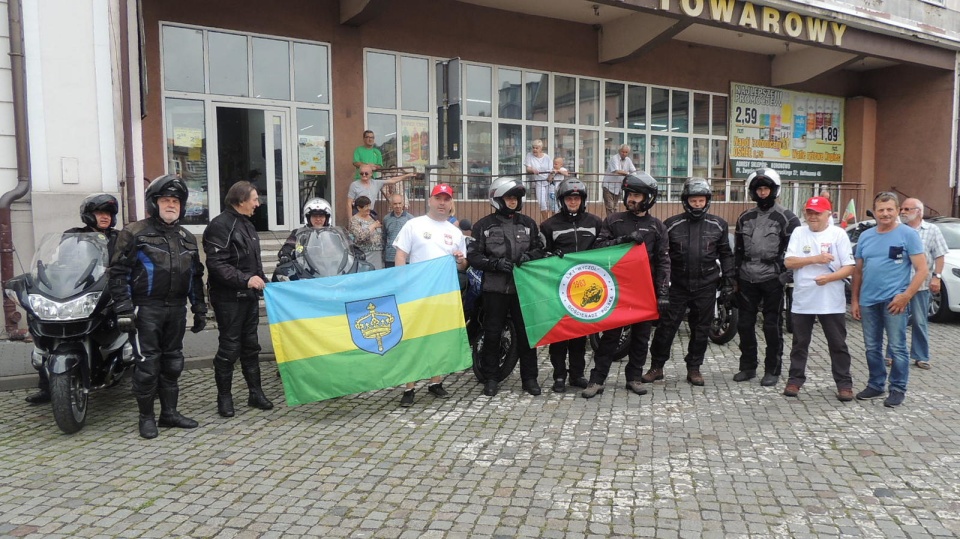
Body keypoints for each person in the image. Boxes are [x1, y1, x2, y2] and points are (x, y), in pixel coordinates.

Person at [110, 175, 207, 439]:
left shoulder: (187, 238)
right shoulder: (134, 232)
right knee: (147, 364)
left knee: (173, 362)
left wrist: (199, 308)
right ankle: (146, 417)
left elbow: (195, 276)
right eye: (166, 200)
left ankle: (169, 413)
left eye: (175, 201)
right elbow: (118, 273)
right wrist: (124, 309)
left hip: (175, 309)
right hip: (146, 308)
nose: (171, 205)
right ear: (155, 203)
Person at [25, 193, 121, 404]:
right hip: (79, 291)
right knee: (49, 335)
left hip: (108, 292)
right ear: (88, 215)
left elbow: (129, 263)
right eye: (99, 212)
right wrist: (47, 272)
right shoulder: (73, 236)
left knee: (130, 325)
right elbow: (58, 262)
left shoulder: (119, 238)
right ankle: (47, 387)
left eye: (108, 213)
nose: (104, 217)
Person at [581, 172, 670, 399]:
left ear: (649, 198)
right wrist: (622, 240)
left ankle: (634, 377)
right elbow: (598, 248)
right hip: (616, 290)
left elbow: (663, 261)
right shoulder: (613, 221)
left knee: (641, 338)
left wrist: (662, 294)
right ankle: (597, 379)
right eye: (629, 194)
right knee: (609, 338)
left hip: (644, 291)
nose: (631, 199)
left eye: (637, 195)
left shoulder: (657, 227)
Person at [646, 178, 734, 386]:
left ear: (707, 201)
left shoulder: (718, 225)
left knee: (701, 328)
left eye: (700, 200)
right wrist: (662, 287)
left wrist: (729, 281)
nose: (697, 204)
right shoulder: (671, 224)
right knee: (666, 327)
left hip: (706, 285)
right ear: (686, 201)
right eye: (693, 200)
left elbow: (726, 255)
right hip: (678, 285)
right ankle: (656, 366)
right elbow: (663, 257)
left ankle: (694, 368)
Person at [467, 176, 546, 397]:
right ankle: (491, 378)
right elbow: (473, 256)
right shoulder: (483, 226)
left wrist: (529, 256)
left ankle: (529, 379)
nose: (513, 202)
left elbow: (540, 249)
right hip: (495, 290)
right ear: (497, 199)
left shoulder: (528, 223)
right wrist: (494, 264)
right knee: (493, 334)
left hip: (523, 290)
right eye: (509, 198)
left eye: (516, 198)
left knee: (526, 335)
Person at [392, 183, 468, 407]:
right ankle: (409, 387)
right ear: (430, 200)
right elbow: (400, 255)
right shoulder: (413, 225)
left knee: (439, 337)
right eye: (438, 198)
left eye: (446, 199)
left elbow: (463, 265)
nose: (442, 203)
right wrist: (402, 283)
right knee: (413, 338)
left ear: (451, 203)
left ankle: (435, 382)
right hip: (416, 293)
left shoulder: (455, 232)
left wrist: (460, 259)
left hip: (444, 295)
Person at [203, 181, 274, 418]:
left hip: (249, 297)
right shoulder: (220, 225)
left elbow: (254, 263)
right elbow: (216, 264)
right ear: (241, 200)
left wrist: (264, 282)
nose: (258, 203)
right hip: (229, 299)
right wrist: (245, 279)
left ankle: (256, 393)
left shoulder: (248, 225)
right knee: (229, 348)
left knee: (251, 346)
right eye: (254, 199)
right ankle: (224, 398)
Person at [851, 192, 927, 407]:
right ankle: (876, 385)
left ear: (897, 211)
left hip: (895, 302)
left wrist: (906, 296)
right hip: (868, 301)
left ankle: (897, 388)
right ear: (875, 212)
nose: (885, 214)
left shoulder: (908, 234)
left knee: (897, 347)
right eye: (881, 210)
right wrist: (855, 301)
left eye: (889, 210)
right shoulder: (866, 236)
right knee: (871, 347)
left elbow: (922, 270)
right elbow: (858, 271)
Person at [782, 196, 856, 401]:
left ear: (828, 215)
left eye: (817, 213)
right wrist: (815, 259)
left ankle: (844, 384)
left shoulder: (838, 234)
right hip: (803, 298)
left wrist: (830, 277)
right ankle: (795, 380)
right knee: (799, 344)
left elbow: (849, 267)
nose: (812, 217)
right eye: (809, 212)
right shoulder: (799, 232)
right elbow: (789, 262)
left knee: (838, 344)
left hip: (831, 301)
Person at [732, 168, 800, 387]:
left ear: (774, 190)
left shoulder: (787, 218)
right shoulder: (745, 217)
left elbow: (796, 252)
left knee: (771, 326)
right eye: (759, 189)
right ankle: (748, 366)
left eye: (766, 188)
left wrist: (784, 277)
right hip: (746, 277)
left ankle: (772, 369)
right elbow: (739, 250)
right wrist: (733, 278)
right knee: (744, 324)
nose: (762, 193)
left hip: (772, 278)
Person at [539, 177, 602, 393]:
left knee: (579, 335)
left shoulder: (595, 222)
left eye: (576, 198)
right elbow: (540, 253)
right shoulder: (549, 225)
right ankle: (558, 376)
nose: (573, 201)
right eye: (569, 198)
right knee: (559, 334)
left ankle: (577, 374)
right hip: (560, 287)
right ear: (562, 200)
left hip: (585, 288)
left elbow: (603, 248)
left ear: (582, 200)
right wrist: (549, 254)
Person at [885, 198, 946, 370]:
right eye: (902, 208)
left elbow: (939, 255)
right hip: (899, 284)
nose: (902, 211)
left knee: (920, 321)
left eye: (906, 209)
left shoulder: (932, 230)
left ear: (918, 211)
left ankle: (921, 356)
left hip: (921, 285)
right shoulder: (897, 229)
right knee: (896, 320)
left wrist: (937, 277)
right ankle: (892, 354)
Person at [345, 164, 411, 220]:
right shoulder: (354, 185)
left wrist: (406, 176)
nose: (364, 175)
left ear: (371, 174)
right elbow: (349, 203)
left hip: (369, 213)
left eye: (366, 173)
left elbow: (392, 180)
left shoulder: (376, 183)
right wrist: (351, 220)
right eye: (361, 173)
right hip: (358, 213)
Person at [278, 197, 332, 263]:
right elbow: (288, 246)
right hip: (305, 268)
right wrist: (285, 255)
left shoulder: (334, 234)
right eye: (314, 216)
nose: (318, 219)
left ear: (327, 218)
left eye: (321, 216)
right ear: (308, 218)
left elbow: (345, 247)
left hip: (331, 267)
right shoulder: (299, 233)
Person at [349, 196, 384, 270]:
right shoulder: (354, 220)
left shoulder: (372, 216)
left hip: (377, 253)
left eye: (369, 205)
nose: (369, 208)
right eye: (366, 206)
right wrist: (373, 226)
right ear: (359, 208)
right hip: (364, 254)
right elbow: (360, 236)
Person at [602, 144, 637, 218]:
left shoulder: (628, 160)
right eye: (622, 152)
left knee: (615, 207)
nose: (624, 154)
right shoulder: (614, 158)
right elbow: (617, 171)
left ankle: (614, 221)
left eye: (626, 152)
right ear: (619, 151)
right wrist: (628, 174)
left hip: (618, 187)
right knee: (610, 206)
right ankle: (610, 222)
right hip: (608, 186)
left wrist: (634, 175)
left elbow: (633, 171)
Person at [524, 140, 553, 221]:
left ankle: (552, 221)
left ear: (541, 148)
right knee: (541, 203)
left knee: (551, 203)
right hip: (539, 182)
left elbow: (551, 170)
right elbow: (528, 168)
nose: (534, 150)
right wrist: (533, 169)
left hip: (548, 182)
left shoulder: (546, 157)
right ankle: (546, 220)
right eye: (533, 148)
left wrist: (550, 176)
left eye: (537, 148)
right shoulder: (529, 156)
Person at [383, 194, 414, 268]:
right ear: (391, 204)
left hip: (405, 258)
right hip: (390, 258)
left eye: (400, 203)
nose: (398, 206)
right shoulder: (386, 219)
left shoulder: (410, 219)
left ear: (403, 203)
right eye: (395, 204)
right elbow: (384, 237)